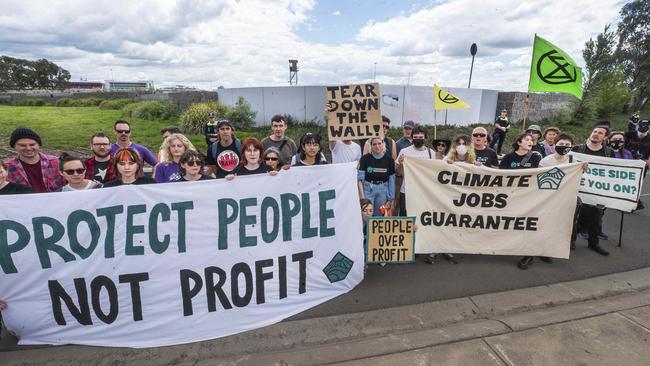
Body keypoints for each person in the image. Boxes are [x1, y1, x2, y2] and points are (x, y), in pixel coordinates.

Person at [499, 133, 545, 270]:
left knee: (528, 224)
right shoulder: (509, 157)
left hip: (530, 197)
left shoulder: (536, 157)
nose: (530, 141)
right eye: (527, 139)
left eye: (531, 140)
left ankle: (529, 255)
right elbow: (500, 176)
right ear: (519, 142)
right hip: (511, 197)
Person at [572, 125, 612, 256]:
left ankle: (593, 243)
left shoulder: (609, 152)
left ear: (605, 137)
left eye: (600, 133)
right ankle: (570, 242)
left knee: (596, 218)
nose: (596, 134)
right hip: (577, 189)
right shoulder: (578, 149)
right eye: (594, 131)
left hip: (596, 191)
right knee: (573, 218)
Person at [540, 133, 582, 250]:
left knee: (567, 220)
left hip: (567, 196)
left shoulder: (575, 161)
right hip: (549, 197)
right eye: (561, 144)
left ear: (572, 146)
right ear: (555, 145)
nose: (564, 146)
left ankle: (567, 241)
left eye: (567, 144)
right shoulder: (545, 161)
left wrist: (584, 168)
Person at [4, 127, 65, 192]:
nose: (28, 148)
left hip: (56, 200)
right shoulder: (6, 167)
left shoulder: (57, 162)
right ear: (14, 146)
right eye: (22, 145)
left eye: (32, 144)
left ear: (39, 145)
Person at [395, 126, 435, 216]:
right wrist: (401, 164)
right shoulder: (404, 151)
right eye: (415, 137)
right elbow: (398, 173)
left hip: (423, 192)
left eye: (420, 137)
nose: (418, 139)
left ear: (425, 138)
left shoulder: (431, 153)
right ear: (412, 138)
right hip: (406, 191)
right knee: (405, 218)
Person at [358, 136, 396, 216]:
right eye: (374, 144)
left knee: (379, 216)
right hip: (368, 190)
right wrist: (362, 197)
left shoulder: (389, 160)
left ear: (383, 144)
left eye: (379, 143)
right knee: (367, 215)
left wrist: (390, 198)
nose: (377, 146)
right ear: (371, 146)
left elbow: (392, 179)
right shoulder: (365, 159)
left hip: (383, 190)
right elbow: (360, 179)